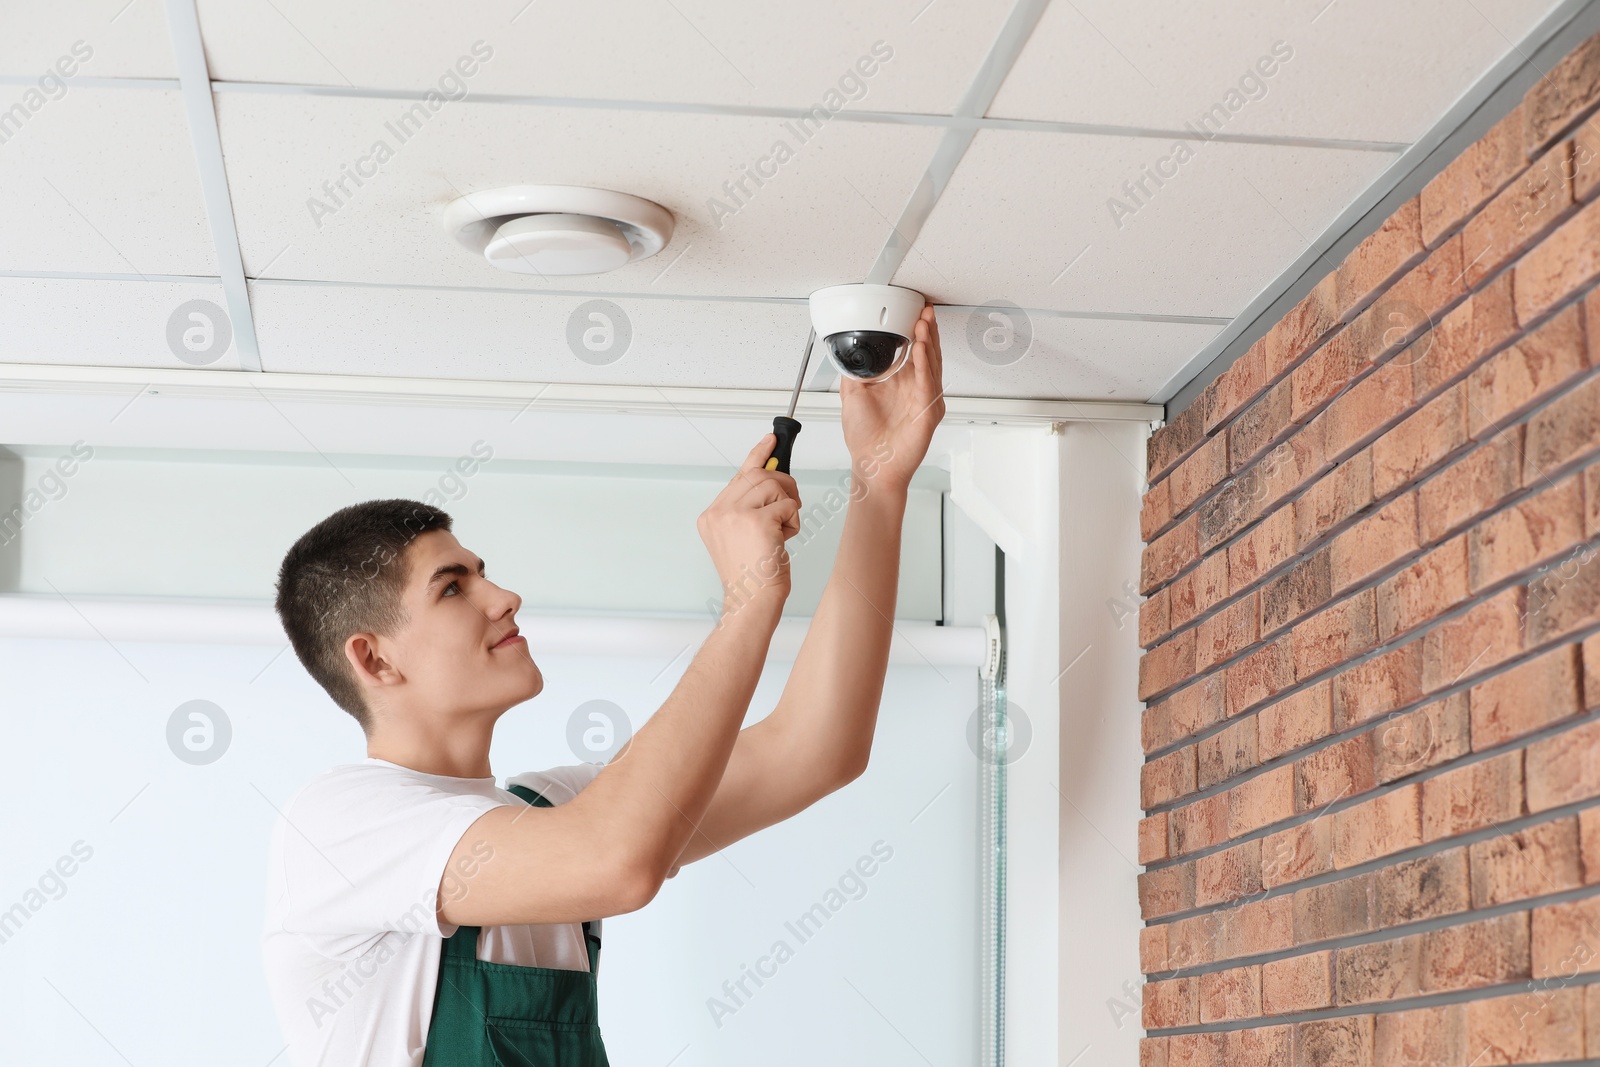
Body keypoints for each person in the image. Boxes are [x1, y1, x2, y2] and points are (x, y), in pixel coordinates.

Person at [260, 306, 946, 1065]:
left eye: (484, 572)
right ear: (376, 660)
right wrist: (750, 603)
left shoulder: (549, 811)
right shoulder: (340, 825)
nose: (503, 597)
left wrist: (879, 484)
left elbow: (815, 748)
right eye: (454, 588)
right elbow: (617, 859)